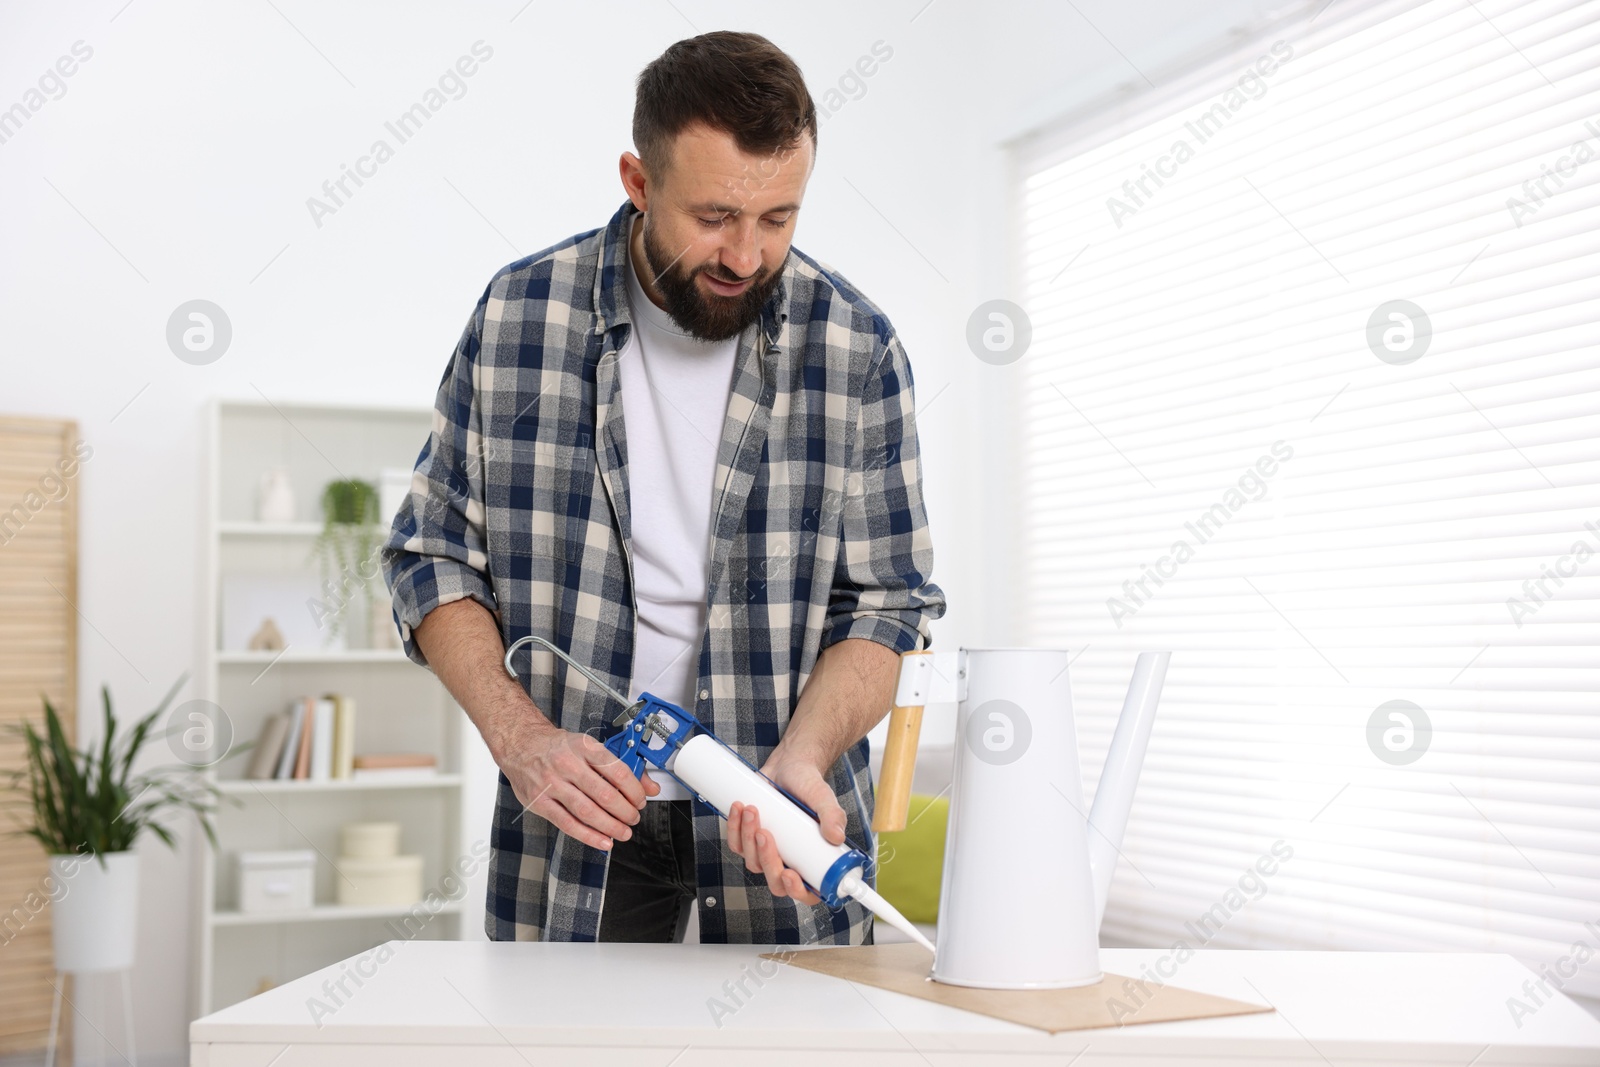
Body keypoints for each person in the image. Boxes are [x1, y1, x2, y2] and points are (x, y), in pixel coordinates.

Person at [381, 30, 945, 946]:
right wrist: (520, 738)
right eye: (716, 215)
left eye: (779, 218)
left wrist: (804, 756)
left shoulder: (857, 347)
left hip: (781, 826)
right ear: (638, 183)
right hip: (577, 830)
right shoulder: (520, 316)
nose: (748, 255)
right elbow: (430, 557)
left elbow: (890, 604)